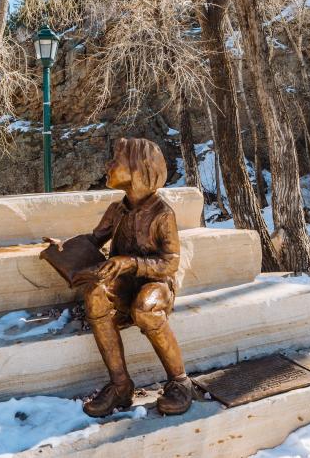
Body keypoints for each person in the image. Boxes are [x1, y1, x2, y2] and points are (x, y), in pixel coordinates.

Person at [50, 137, 194, 417]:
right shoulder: (116, 210)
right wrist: (63, 247)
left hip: (156, 285)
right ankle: (120, 385)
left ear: (138, 169)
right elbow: (94, 239)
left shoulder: (162, 214)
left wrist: (130, 262)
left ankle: (180, 380)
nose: (108, 166)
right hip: (124, 284)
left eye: (115, 161)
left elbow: (170, 262)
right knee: (94, 295)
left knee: (145, 307)